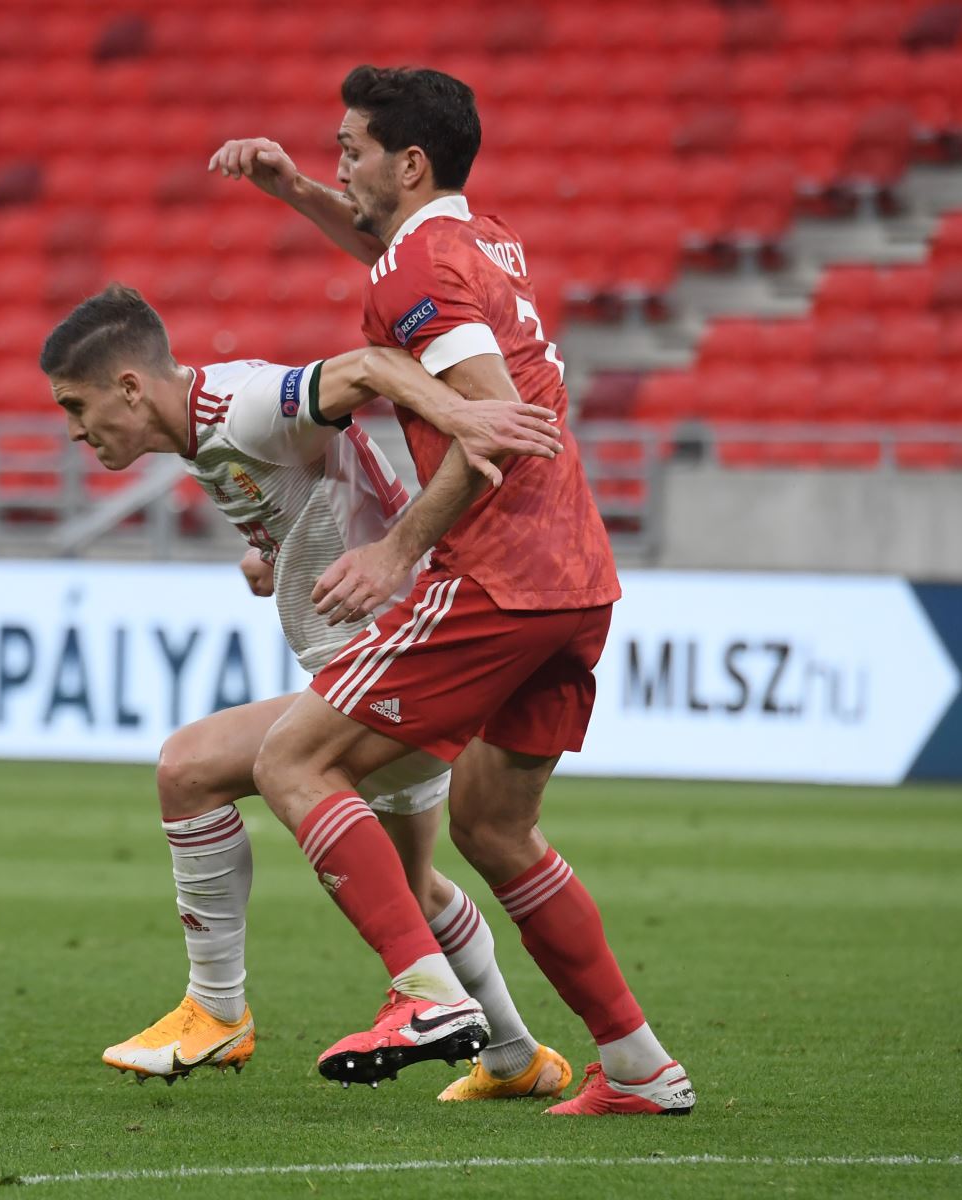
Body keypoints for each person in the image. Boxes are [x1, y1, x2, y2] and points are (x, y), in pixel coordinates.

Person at [205, 65, 694, 1115]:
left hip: (500, 574)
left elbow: (494, 431)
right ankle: (643, 1068)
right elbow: (407, 286)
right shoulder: (478, 243)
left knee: (296, 758)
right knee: (495, 829)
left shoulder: (416, 268)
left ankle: (426, 997)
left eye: (350, 150)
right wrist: (297, 191)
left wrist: (394, 556)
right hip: (576, 579)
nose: (338, 160)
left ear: (408, 162)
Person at [40, 282, 574, 1101]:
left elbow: (368, 366)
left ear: (130, 388)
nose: (75, 431)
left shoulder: (243, 404)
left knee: (188, 769)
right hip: (395, 656)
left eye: (76, 407)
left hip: (399, 656)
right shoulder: (206, 435)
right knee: (414, 886)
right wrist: (278, 554)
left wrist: (462, 417)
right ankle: (514, 1058)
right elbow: (320, 477)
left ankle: (218, 1010)